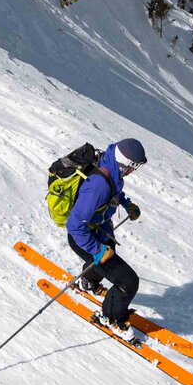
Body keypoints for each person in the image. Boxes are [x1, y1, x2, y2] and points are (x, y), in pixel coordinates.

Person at [65, 136, 148, 338]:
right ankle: (110, 318)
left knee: (110, 246)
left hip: (98, 228)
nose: (134, 171)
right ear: (125, 164)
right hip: (83, 238)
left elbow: (114, 189)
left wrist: (126, 204)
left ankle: (88, 281)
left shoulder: (109, 164)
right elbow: (74, 225)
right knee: (128, 282)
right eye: (133, 167)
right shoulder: (98, 185)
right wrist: (96, 250)